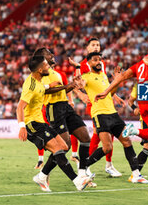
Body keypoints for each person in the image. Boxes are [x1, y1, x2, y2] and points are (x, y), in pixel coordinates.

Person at [17, 55, 93, 192]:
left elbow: (43, 89)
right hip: (32, 124)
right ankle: (78, 181)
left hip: (40, 122)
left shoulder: (39, 82)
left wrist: (53, 85)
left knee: (64, 147)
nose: (49, 66)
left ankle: (41, 176)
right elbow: (20, 106)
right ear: (40, 70)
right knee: (58, 150)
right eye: (46, 65)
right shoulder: (31, 85)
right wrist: (22, 127)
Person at [77, 52, 148, 184]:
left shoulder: (104, 76)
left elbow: (110, 93)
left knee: (127, 141)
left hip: (113, 113)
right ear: (89, 63)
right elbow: (81, 83)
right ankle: (83, 167)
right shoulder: (86, 76)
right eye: (95, 60)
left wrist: (118, 80)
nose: (98, 62)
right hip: (100, 114)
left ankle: (136, 175)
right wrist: (80, 86)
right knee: (107, 148)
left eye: (100, 59)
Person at [72, 37, 123, 177]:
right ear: (88, 48)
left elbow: (105, 84)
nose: (96, 47)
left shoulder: (101, 64)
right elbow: (74, 84)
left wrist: (114, 96)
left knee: (107, 133)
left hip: (106, 102)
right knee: (98, 133)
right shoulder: (83, 65)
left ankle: (107, 164)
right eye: (93, 45)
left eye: (98, 45)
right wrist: (80, 95)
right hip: (94, 104)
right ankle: (86, 164)